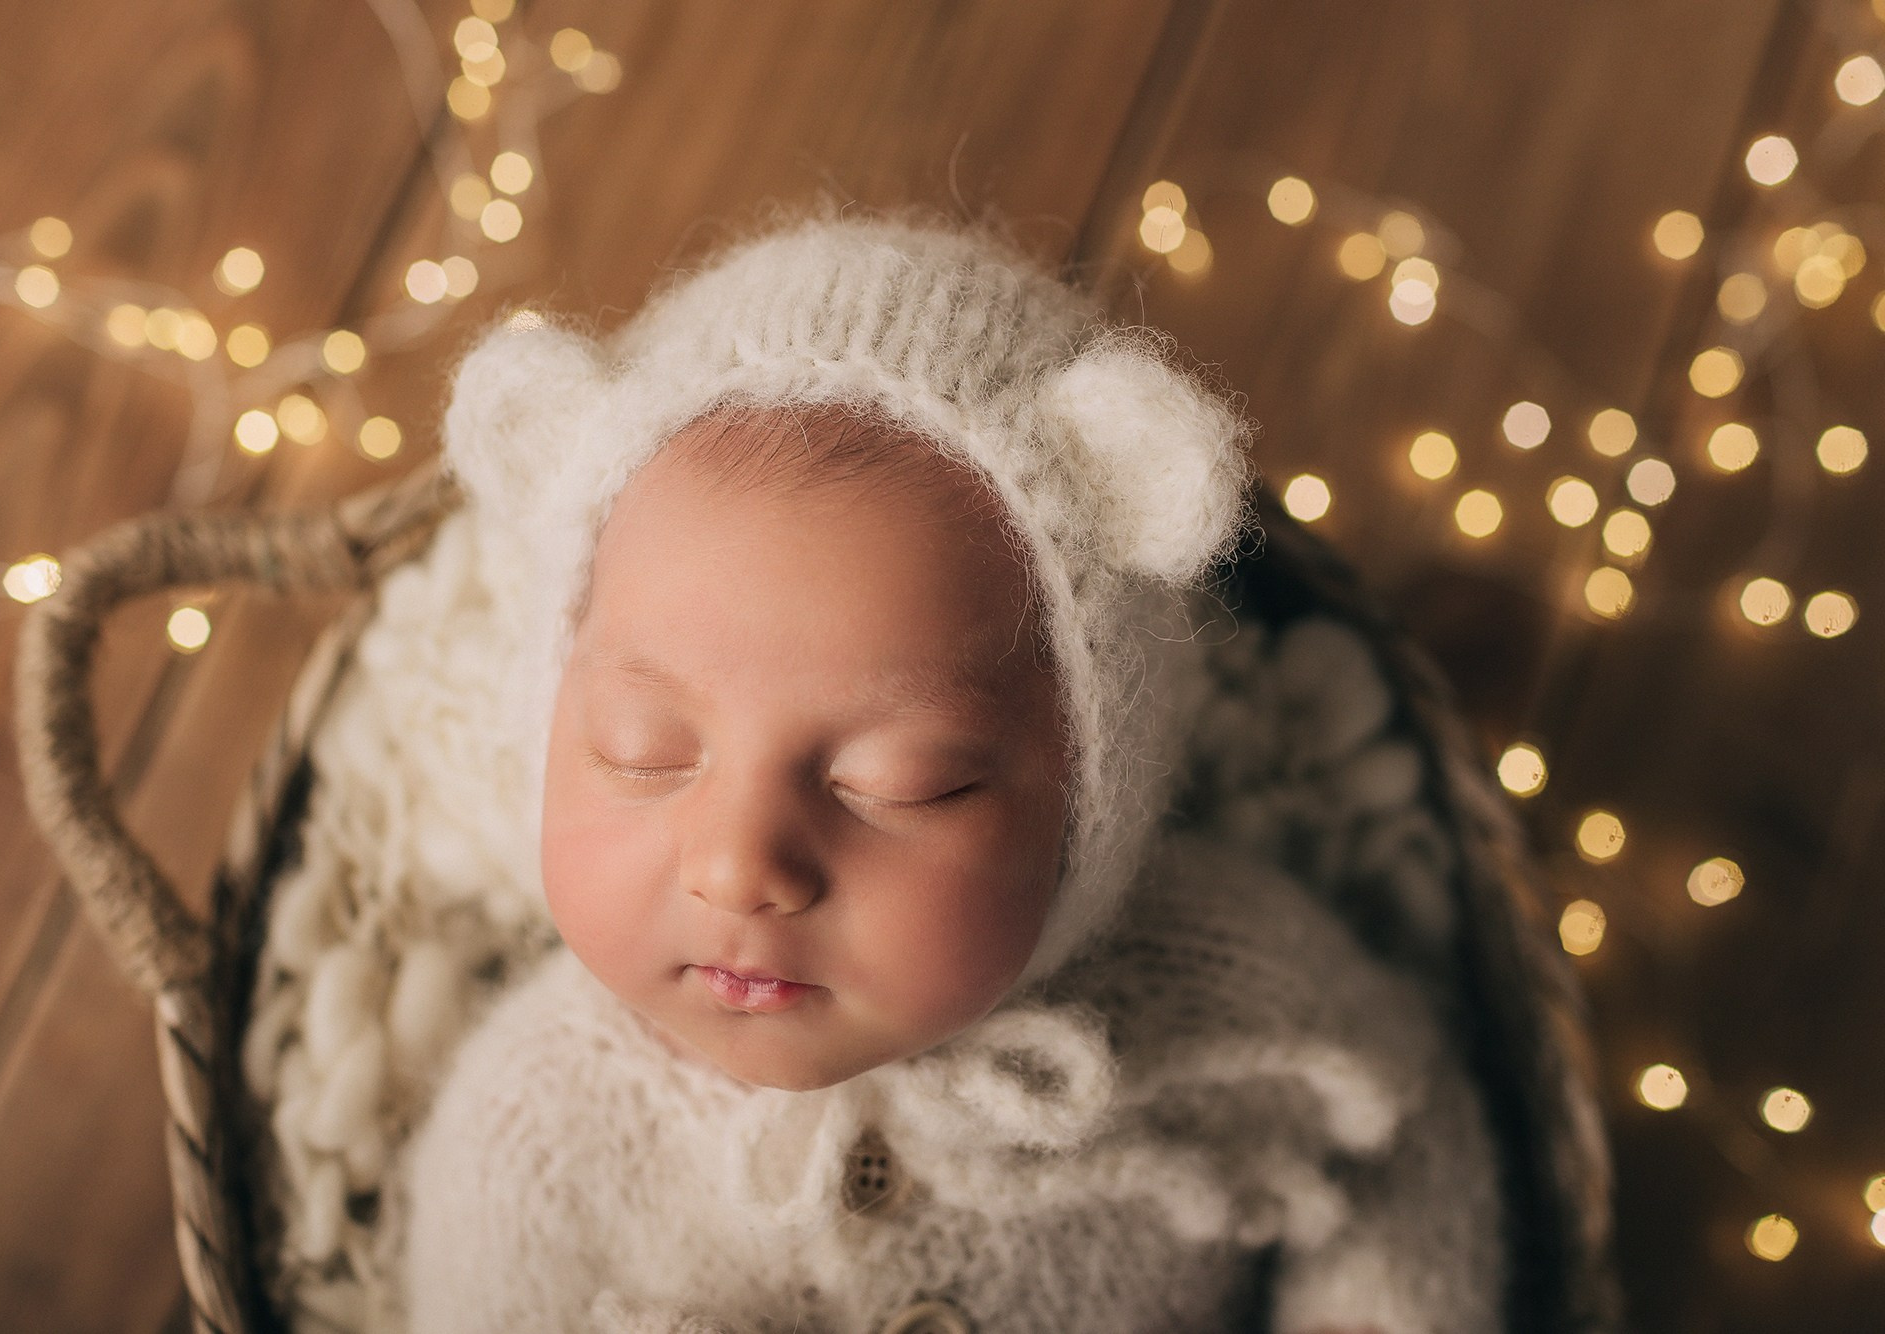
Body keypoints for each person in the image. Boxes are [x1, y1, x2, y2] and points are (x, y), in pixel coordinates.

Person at [397, 213, 1505, 1332]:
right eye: (643, 749)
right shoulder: (531, 1131)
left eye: (897, 783)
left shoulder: (1214, 983)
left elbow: (1399, 1129)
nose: (738, 864)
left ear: (1088, 799)